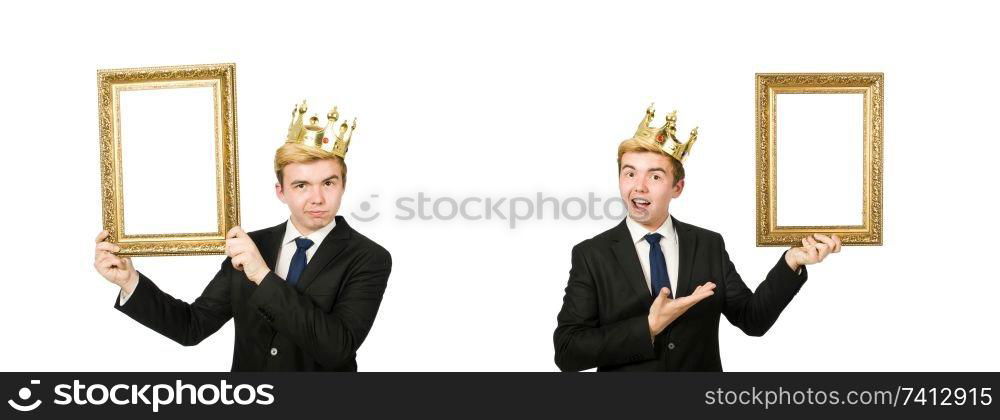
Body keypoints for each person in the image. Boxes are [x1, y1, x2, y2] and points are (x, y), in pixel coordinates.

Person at [93, 101, 391, 371]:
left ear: (343, 186)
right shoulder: (251, 246)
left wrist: (262, 274)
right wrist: (129, 282)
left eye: (328, 183)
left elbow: (336, 348)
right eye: (301, 185)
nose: (317, 198)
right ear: (281, 191)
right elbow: (192, 326)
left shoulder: (368, 258)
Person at [553, 104, 841, 371]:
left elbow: (753, 320)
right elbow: (567, 351)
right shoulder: (592, 254)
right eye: (629, 174)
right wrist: (649, 327)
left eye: (654, 177)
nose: (638, 186)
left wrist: (790, 262)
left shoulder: (708, 245)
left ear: (677, 187)